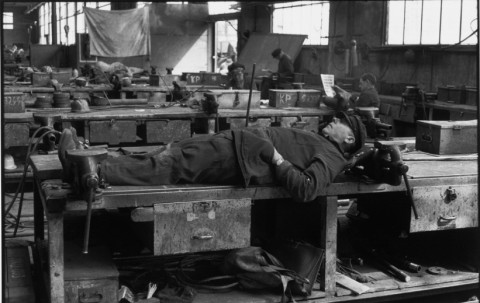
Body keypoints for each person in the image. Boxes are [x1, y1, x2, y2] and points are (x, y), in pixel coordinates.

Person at [58, 112, 366, 203]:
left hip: (240, 158)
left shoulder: (333, 157)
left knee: (172, 165)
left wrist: (275, 158)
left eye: (340, 122)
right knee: (170, 154)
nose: (333, 121)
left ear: (349, 139)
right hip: (236, 146)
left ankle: (93, 174)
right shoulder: (323, 143)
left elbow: (307, 189)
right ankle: (87, 162)